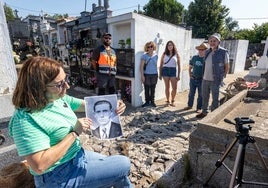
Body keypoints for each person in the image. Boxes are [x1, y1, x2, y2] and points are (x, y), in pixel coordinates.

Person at [8, 56, 133, 188]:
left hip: (77, 156)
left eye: (65, 80)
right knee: (123, 164)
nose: (67, 86)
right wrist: (74, 133)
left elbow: (88, 105)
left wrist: (114, 105)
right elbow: (39, 166)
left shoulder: (56, 99)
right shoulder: (25, 120)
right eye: (59, 84)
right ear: (38, 88)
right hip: (57, 176)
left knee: (118, 173)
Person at [196, 33, 229, 118]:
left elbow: (227, 66)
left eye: (214, 41)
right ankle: (204, 112)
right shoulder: (207, 52)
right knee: (205, 96)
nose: (212, 42)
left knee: (215, 98)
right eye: (211, 41)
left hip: (215, 79)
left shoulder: (223, 52)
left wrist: (223, 76)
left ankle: (214, 115)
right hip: (205, 78)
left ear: (218, 42)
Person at [184, 42, 208, 112]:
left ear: (205, 50)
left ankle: (199, 108)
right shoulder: (194, 58)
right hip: (193, 79)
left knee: (200, 95)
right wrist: (190, 75)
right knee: (191, 93)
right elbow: (190, 67)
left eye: (202, 50)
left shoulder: (206, 59)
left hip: (201, 80)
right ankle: (189, 105)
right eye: (200, 49)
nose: (201, 51)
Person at [159, 41, 181, 107]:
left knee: (174, 88)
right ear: (167, 46)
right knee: (167, 87)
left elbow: (179, 66)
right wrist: (160, 74)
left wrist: (178, 75)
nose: (170, 46)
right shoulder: (164, 54)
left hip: (173, 71)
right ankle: (168, 100)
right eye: (168, 45)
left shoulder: (176, 54)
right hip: (165, 70)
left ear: (173, 46)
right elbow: (161, 65)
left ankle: (173, 100)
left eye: (171, 45)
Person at [140, 41, 158, 107]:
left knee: (153, 89)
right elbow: (141, 67)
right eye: (148, 47)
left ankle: (152, 101)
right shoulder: (144, 56)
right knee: (146, 89)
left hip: (154, 74)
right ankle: (147, 102)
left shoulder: (156, 56)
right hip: (146, 75)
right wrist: (142, 76)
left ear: (153, 47)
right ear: (146, 48)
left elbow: (156, 65)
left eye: (151, 46)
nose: (150, 48)